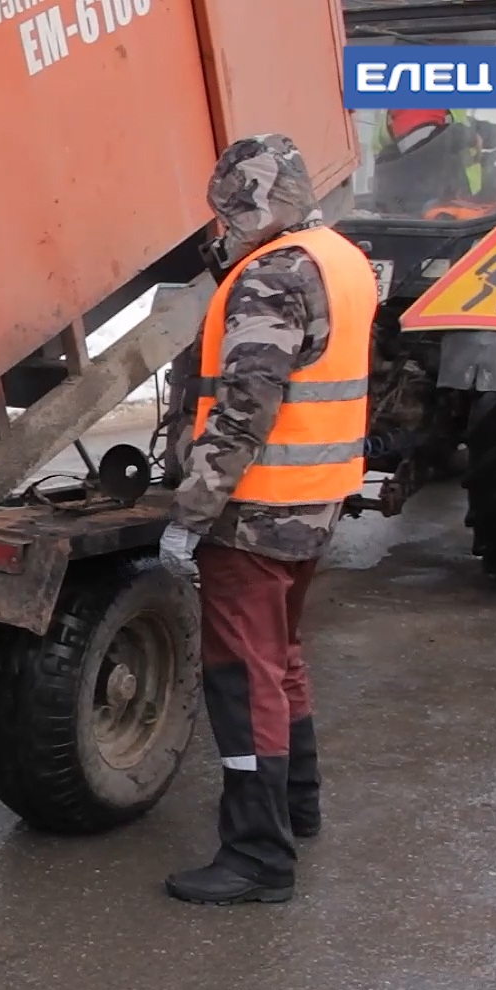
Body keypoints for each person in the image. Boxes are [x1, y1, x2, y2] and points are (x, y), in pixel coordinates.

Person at [157, 134, 375, 906]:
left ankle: (257, 858)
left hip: (256, 509)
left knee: (243, 678)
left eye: (229, 212)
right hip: (315, 497)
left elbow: (249, 402)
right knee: (280, 659)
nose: (225, 227)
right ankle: (299, 809)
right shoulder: (333, 254)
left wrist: (192, 510)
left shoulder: (270, 279)